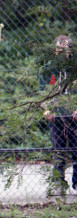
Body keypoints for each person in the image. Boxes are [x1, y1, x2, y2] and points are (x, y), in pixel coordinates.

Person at [41, 35, 77, 196]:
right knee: (59, 151)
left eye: (65, 49)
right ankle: (58, 183)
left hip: (74, 116)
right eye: (58, 49)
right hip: (56, 118)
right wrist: (46, 110)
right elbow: (42, 94)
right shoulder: (48, 69)